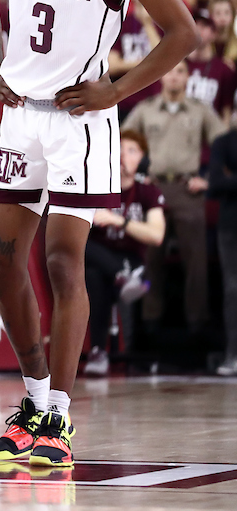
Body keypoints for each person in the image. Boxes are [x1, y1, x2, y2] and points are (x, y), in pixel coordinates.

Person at [0, 0, 196, 469]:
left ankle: (60, 422)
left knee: (63, 262)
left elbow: (183, 34)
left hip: (81, 121)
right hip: (22, 119)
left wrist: (115, 91)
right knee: (2, 260)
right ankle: (34, 403)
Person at [122, 60, 224, 332]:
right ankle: (150, 325)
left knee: (196, 260)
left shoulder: (200, 111)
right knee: (149, 258)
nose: (174, 77)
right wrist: (135, 176)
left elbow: (226, 146)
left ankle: (197, 324)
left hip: (186, 188)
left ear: (188, 77)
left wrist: (209, 180)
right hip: (153, 187)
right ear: (161, 76)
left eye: (180, 71)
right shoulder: (146, 110)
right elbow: (123, 140)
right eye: (168, 70)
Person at [84, 130, 165, 376]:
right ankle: (98, 350)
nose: (123, 156)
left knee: (97, 273)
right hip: (99, 255)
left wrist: (119, 221)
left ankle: (99, 351)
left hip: (131, 258)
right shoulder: (97, 184)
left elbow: (156, 235)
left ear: (142, 159)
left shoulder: (147, 192)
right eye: (118, 149)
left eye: (131, 151)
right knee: (91, 265)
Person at [209, 113, 237, 376]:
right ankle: (232, 354)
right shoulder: (223, 142)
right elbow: (216, 182)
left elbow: (226, 181)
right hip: (230, 224)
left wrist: (232, 178)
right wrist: (226, 179)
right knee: (233, 289)